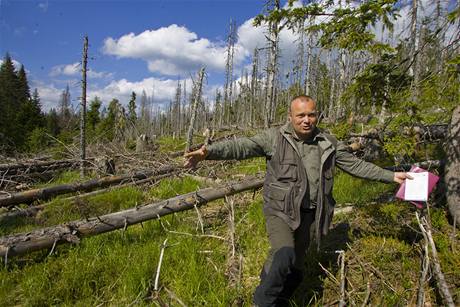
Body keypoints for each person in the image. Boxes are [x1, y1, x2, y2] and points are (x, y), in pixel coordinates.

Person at [184, 95, 411, 307]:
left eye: (311, 115)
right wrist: (208, 152)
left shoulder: (328, 143)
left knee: (295, 266)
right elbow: (242, 146)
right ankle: (262, 301)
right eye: (300, 116)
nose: (306, 120)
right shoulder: (274, 139)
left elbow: (356, 165)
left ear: (317, 116)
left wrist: (390, 176)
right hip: (280, 210)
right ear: (290, 117)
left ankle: (281, 299)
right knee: (284, 253)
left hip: (312, 213)